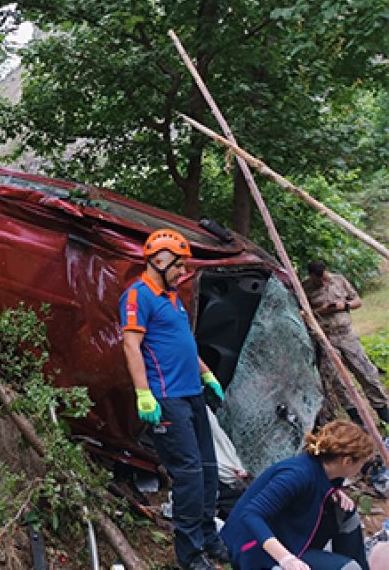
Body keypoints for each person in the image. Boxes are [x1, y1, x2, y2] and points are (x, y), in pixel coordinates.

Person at [121, 229, 228, 570]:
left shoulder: (171, 297)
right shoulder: (138, 296)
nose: (183, 273)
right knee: (189, 476)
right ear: (160, 260)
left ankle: (210, 540)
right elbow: (130, 346)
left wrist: (206, 372)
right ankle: (189, 555)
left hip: (192, 395)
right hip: (167, 400)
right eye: (179, 266)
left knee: (209, 473)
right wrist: (143, 393)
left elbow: (182, 342)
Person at [220, 420, 373, 570]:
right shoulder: (298, 475)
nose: (360, 469)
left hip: (289, 536)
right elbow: (251, 514)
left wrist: (335, 491)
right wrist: (286, 559)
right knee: (349, 568)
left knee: (346, 514)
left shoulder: (324, 471)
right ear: (347, 461)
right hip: (254, 548)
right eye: (361, 463)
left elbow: (321, 487)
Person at [303, 261, 389, 426]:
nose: (322, 282)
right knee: (337, 379)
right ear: (311, 276)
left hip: (346, 334)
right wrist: (323, 310)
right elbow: (303, 314)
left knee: (365, 371)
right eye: (318, 280)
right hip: (325, 338)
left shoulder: (339, 280)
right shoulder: (304, 288)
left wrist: (345, 305)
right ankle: (356, 416)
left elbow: (357, 301)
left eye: (324, 278)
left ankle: (381, 408)